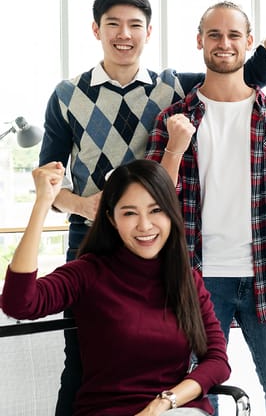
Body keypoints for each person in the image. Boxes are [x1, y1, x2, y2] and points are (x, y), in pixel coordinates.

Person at [38, 0, 266, 415]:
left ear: (148, 32)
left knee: (159, 364)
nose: (124, 34)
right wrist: (87, 206)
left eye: (134, 25)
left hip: (155, 243)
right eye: (113, 25)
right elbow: (48, 180)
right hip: (91, 242)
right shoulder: (67, 94)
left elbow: (246, 70)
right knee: (82, 363)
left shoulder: (171, 89)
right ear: (96, 29)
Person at [146, 0, 266, 416]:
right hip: (197, 276)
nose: (224, 43)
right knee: (195, 386)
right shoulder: (175, 118)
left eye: (232, 35)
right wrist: (175, 147)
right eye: (214, 35)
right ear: (200, 41)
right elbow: (155, 200)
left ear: (248, 43)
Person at [2, 159, 229, 416]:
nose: (144, 225)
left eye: (156, 211)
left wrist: (163, 403)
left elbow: (217, 360)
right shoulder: (88, 272)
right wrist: (42, 204)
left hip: (177, 410)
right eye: (129, 213)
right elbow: (19, 303)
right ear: (111, 219)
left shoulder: (187, 279)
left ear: (171, 213)